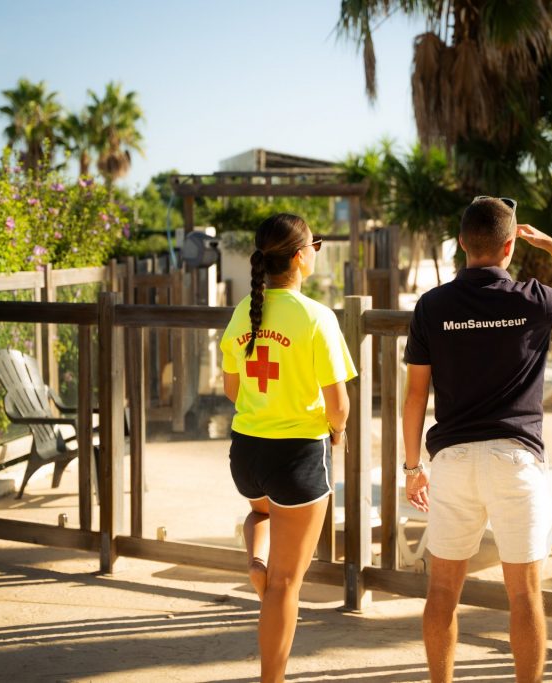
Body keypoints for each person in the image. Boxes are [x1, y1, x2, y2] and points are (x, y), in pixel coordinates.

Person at [402, 196, 552, 683]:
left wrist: (413, 467)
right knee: (524, 595)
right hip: (515, 460)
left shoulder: (432, 305)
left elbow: (415, 396)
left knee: (442, 593)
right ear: (509, 245)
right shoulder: (532, 298)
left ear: (461, 244)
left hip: (452, 461)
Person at [219, 213, 357, 683]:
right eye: (314, 244)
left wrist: (264, 409)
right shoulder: (317, 317)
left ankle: (257, 563)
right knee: (285, 587)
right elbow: (339, 404)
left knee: (261, 515)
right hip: (298, 456)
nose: (317, 250)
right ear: (300, 257)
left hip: (247, 454)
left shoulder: (243, 312)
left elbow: (231, 388)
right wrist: (337, 434)